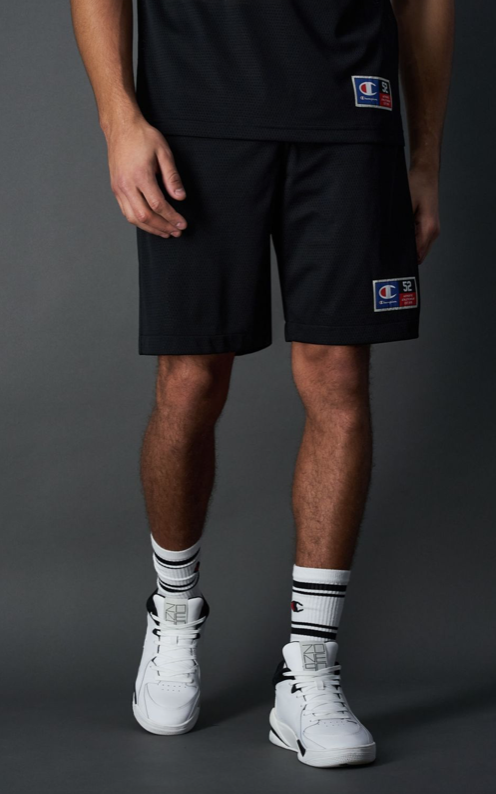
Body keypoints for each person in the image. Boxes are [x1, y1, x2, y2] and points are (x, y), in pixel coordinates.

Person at [71, 0, 454, 768]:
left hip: (350, 110)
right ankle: (173, 611)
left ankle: (308, 670)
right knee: (190, 379)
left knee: (338, 374)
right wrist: (119, 121)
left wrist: (424, 158)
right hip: (196, 112)